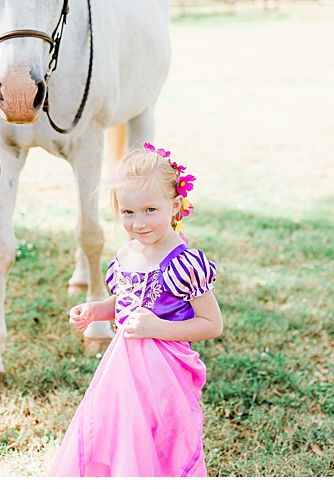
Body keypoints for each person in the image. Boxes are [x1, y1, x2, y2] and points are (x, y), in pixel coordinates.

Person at [49, 143, 223, 477]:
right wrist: (95, 310)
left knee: (157, 439)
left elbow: (212, 324)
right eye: (128, 212)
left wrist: (157, 328)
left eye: (149, 210)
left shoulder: (185, 263)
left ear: (174, 207)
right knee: (120, 430)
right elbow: (124, 303)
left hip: (163, 373)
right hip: (122, 368)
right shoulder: (126, 254)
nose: (138, 222)